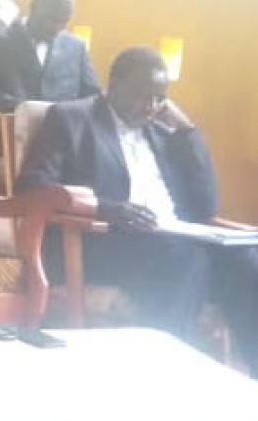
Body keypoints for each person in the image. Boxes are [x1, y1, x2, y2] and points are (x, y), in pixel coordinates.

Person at [18, 47, 258, 372]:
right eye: (141, 95)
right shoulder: (71, 118)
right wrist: (107, 209)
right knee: (190, 260)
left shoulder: (163, 133)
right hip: (103, 240)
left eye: (160, 98)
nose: (150, 106)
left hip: (172, 239)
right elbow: (33, 185)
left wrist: (186, 130)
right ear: (113, 84)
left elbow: (205, 205)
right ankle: (158, 371)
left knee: (247, 260)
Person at [0, 0, 100, 112]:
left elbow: (93, 100)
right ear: (34, 7)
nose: (56, 27)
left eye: (64, 21)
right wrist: (26, 109)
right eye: (50, 20)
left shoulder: (77, 49)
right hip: (11, 123)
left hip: (62, 124)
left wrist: (62, 113)